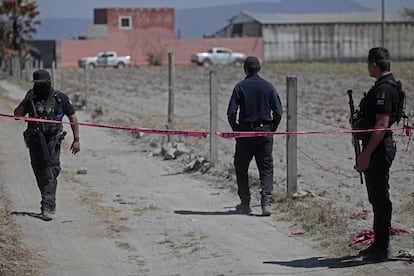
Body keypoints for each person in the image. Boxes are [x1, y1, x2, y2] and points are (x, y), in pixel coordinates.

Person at [14, 69, 80, 221]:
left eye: (43, 84)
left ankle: (47, 206)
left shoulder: (60, 98)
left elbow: (73, 118)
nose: (40, 87)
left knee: (50, 171)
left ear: (49, 83)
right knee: (40, 173)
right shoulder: (31, 97)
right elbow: (17, 115)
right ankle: (48, 200)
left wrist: (76, 139)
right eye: (37, 84)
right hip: (34, 141)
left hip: (52, 141)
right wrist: (25, 100)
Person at [355, 47, 400, 262]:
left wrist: (365, 155)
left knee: (381, 199)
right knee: (376, 197)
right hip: (377, 146)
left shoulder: (384, 90)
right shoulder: (385, 86)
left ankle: (382, 248)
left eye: (368, 63)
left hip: (379, 148)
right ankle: (378, 244)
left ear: (374, 64)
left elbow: (381, 125)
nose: (367, 67)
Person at [227, 56, 282, 216]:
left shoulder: (240, 87)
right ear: (259, 69)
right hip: (264, 132)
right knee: (266, 168)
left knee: (241, 167)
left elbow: (231, 112)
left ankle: (245, 203)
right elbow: (278, 111)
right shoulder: (268, 87)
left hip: (245, 133)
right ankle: (266, 203)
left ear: (245, 69)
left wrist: (236, 129)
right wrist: (272, 128)